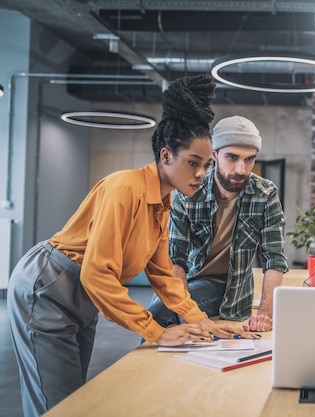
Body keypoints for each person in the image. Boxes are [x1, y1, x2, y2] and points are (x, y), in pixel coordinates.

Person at [6, 75, 257, 417]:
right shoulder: (125, 188)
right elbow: (97, 274)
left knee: (75, 397)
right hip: (52, 284)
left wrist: (199, 320)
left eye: (205, 165)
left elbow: (162, 272)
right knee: (57, 405)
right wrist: (156, 332)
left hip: (83, 295)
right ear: (166, 156)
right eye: (193, 163)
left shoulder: (163, 201)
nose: (201, 174)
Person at [147, 115, 288, 332]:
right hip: (188, 279)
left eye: (249, 159)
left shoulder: (265, 194)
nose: (241, 169)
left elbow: (274, 258)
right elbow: (175, 259)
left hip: (231, 287)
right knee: (157, 315)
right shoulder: (187, 193)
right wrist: (187, 312)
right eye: (232, 157)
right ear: (214, 155)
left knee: (158, 315)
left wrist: (265, 313)